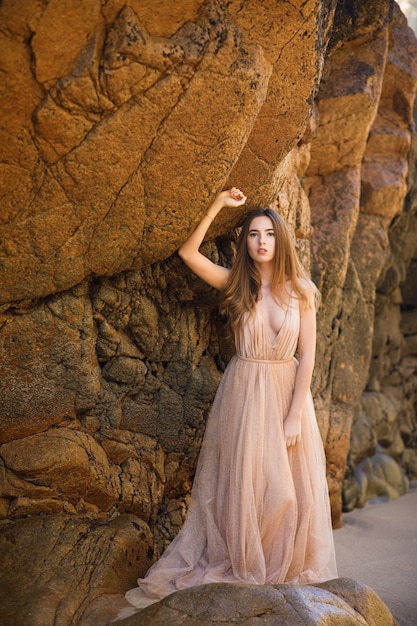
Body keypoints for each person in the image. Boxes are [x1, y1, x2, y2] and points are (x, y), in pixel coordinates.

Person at [125, 187, 338, 608]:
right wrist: (218, 206)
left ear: (280, 240)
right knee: (249, 486)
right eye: (254, 234)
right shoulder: (235, 283)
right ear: (246, 244)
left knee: (289, 491)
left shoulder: (302, 290)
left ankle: (280, 567)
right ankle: (247, 563)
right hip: (244, 393)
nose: (261, 241)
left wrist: (295, 415)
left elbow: (308, 357)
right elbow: (189, 253)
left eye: (269, 234)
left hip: (287, 396)